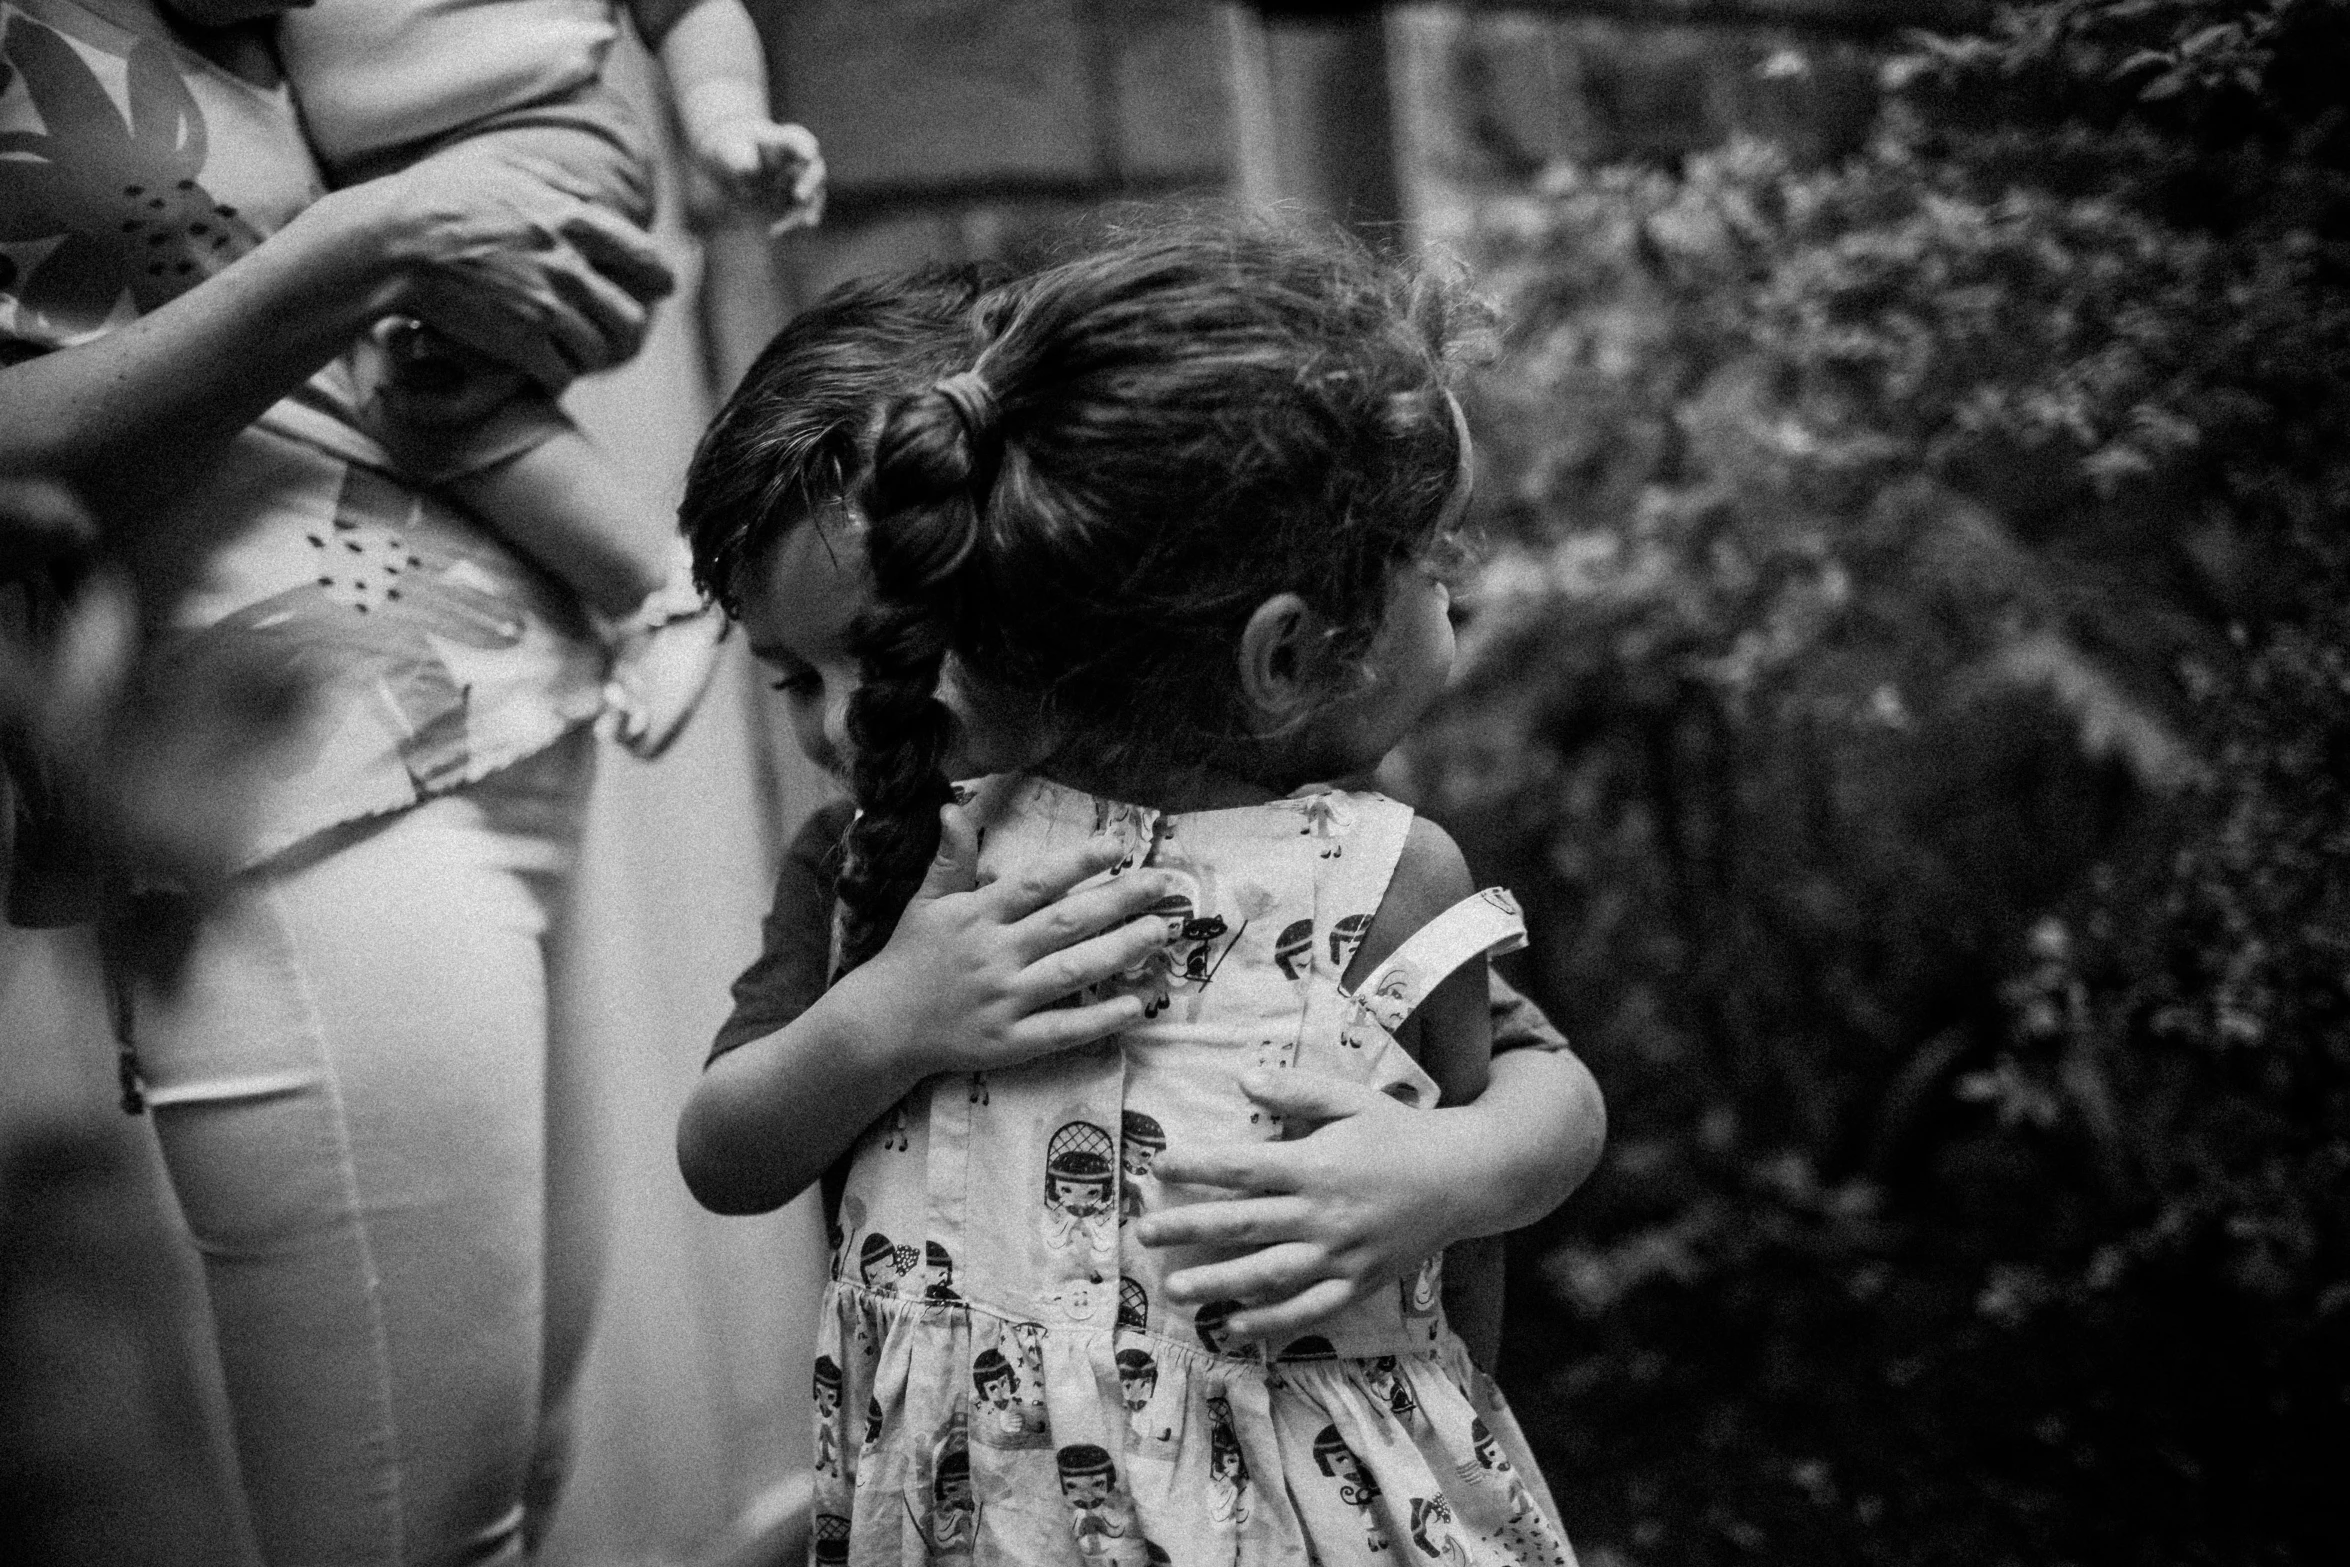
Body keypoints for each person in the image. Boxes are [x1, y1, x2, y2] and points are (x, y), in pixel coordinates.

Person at [674, 228, 1594, 1563]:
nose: (845, 720)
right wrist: (890, 1015)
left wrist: (1440, 1168)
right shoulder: (881, 868)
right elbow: (723, 1149)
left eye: (894, 651)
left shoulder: (1346, 870)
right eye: (790, 677)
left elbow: (1542, 1086)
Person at [0, 2, 673, 1561]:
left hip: (505, 701)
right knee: (411, 1532)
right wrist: (364, 246)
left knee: (516, 1474)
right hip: (276, 798)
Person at [263, 0, 829, 756]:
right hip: (376, 182)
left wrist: (727, 122)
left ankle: (656, 580)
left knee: (418, 389)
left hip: (543, 134)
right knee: (407, 399)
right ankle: (656, 581)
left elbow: (689, 8)